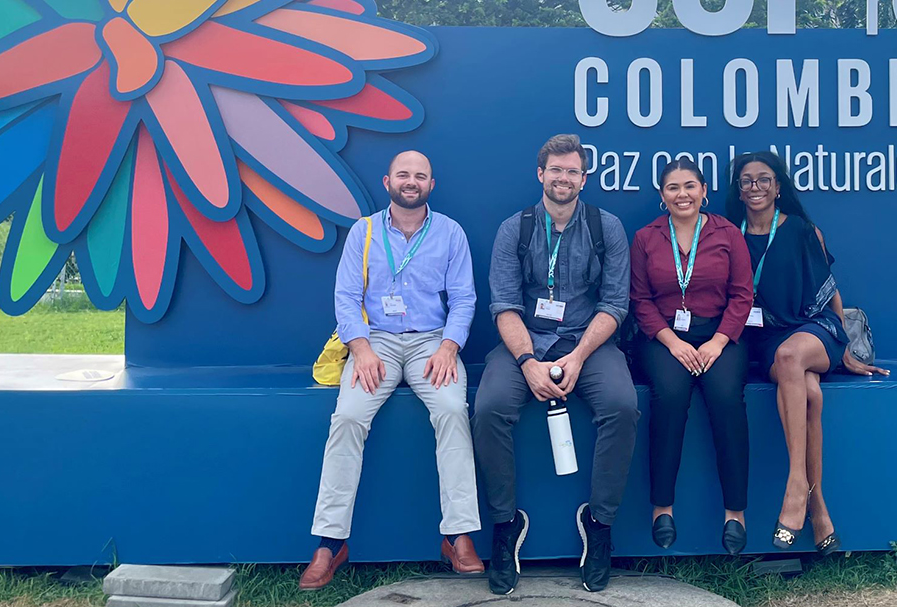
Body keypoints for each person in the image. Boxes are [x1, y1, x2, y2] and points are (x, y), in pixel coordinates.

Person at [298, 150, 484, 590]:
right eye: (404, 174)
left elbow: (464, 298)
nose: (411, 181)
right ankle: (329, 543)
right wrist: (360, 349)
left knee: (453, 413)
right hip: (374, 343)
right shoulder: (363, 232)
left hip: (430, 342)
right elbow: (345, 297)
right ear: (387, 182)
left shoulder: (450, 233)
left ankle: (458, 536)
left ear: (431, 185)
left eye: (421, 175)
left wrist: (448, 347)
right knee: (346, 418)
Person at [472, 133, 637, 595]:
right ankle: (506, 525)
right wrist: (527, 362)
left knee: (622, 406)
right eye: (555, 170)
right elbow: (503, 305)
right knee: (489, 409)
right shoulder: (515, 228)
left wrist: (579, 356)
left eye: (573, 171)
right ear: (540, 174)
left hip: (589, 342)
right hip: (524, 343)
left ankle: (599, 525)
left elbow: (614, 304)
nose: (563, 179)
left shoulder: (607, 228)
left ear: (584, 178)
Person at [726, 150, 888, 556]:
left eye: (764, 179)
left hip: (815, 330)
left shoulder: (802, 230)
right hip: (765, 340)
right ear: (739, 190)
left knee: (790, 359)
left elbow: (829, 291)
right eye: (747, 180)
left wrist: (845, 349)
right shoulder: (728, 233)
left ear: (778, 186)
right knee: (810, 394)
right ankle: (818, 509)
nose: (755, 187)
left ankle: (796, 483)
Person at [630, 156, 754, 555]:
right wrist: (671, 341)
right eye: (672, 188)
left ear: (704, 190)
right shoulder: (646, 237)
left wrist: (718, 342)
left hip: (719, 334)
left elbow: (742, 295)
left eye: (689, 186)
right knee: (669, 396)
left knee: (725, 398)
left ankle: (735, 513)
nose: (681, 194)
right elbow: (640, 299)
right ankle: (662, 508)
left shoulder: (727, 234)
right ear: (661, 195)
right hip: (664, 337)